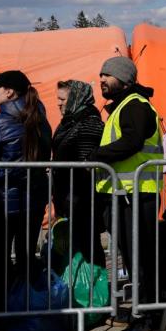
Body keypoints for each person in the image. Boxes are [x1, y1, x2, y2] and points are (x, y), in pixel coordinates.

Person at [92, 56, 164, 331]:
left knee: (140, 258)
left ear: (125, 79)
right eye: (100, 74)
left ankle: (146, 316)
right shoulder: (124, 105)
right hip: (125, 193)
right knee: (133, 257)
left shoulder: (135, 105)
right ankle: (138, 309)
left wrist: (97, 156)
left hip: (137, 194)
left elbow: (133, 142)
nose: (102, 80)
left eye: (107, 75)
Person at [0, 70, 52, 315]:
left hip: (3, 202)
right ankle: (27, 309)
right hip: (34, 199)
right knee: (26, 254)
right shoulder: (40, 117)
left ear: (9, 91)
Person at [49, 80, 104, 270]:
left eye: (62, 99)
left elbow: (87, 164)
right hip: (69, 196)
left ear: (76, 99)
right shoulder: (70, 121)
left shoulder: (89, 122)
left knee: (88, 243)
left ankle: (95, 291)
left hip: (82, 198)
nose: (59, 103)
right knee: (75, 244)